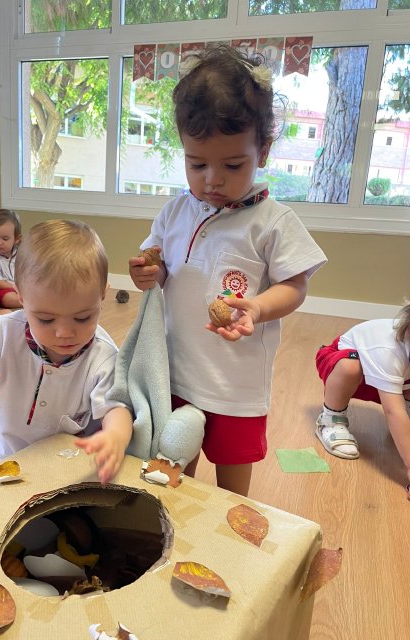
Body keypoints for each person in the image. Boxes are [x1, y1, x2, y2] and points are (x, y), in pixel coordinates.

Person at [129, 44, 327, 496]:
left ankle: (228, 531)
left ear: (264, 151)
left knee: (230, 486)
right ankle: (172, 522)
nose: (212, 179)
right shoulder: (175, 212)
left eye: (232, 165)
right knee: (173, 470)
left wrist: (258, 307)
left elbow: (295, 285)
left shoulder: (272, 221)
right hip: (176, 371)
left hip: (234, 387)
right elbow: (160, 268)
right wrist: (148, 274)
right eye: (196, 163)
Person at [0, 220, 133, 484]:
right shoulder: (1, 332)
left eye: (82, 317)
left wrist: (116, 436)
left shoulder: (103, 357)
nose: (64, 333)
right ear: (21, 296)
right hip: (2, 456)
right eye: (46, 319)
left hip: (64, 470)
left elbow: (116, 408)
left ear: (103, 294)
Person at [315, 307, 410, 491]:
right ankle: (330, 420)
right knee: (350, 365)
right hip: (345, 369)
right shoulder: (388, 350)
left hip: (394, 379)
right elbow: (393, 411)